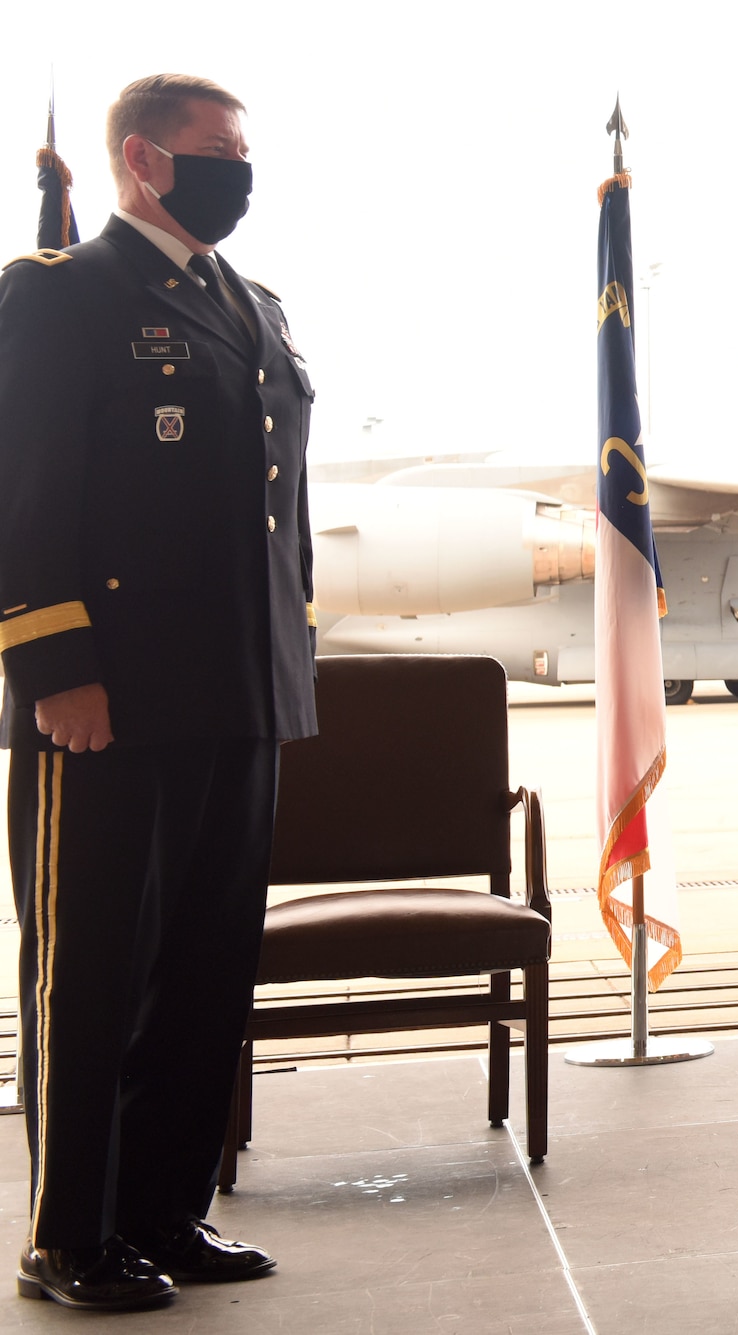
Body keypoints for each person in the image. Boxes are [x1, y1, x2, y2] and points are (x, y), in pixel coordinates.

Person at [0, 74, 317, 1310]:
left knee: (202, 968)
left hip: (239, 692)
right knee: (92, 975)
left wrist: (281, 676)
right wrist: (55, 669)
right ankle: (68, 1233)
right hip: (111, 700)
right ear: (142, 159)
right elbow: (24, 497)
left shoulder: (255, 305)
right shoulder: (62, 296)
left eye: (244, 151)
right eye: (217, 152)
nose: (241, 171)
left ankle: (166, 1213)